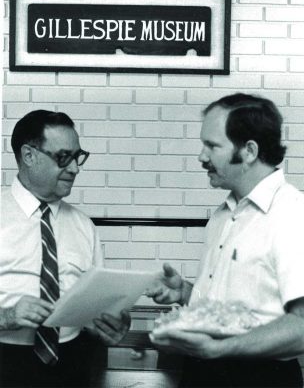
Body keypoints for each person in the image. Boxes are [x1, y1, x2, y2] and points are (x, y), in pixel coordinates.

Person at [147, 93, 304, 387]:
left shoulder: (293, 215)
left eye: (212, 145)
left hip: (260, 379)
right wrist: (185, 292)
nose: (201, 156)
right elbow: (241, 304)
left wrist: (220, 349)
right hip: (202, 374)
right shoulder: (223, 215)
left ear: (249, 151)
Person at [0, 110, 130, 388]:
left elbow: (99, 302)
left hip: (73, 363)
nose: (74, 168)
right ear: (29, 155)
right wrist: (7, 316)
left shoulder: (84, 226)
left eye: (77, 157)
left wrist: (115, 323)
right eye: (63, 157)